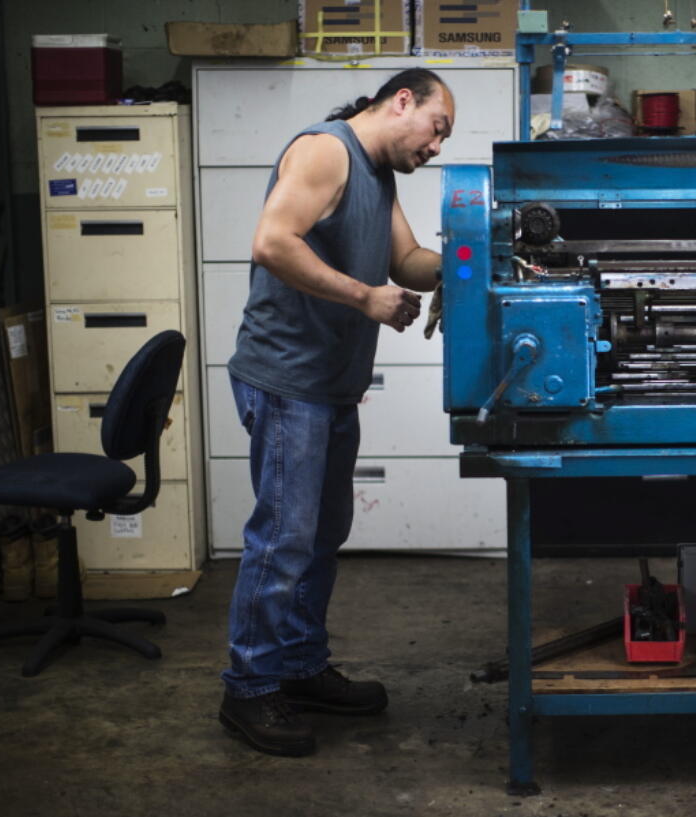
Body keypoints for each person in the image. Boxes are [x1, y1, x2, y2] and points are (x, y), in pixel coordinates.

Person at [218, 69, 454, 757]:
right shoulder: (326, 151)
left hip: (328, 385)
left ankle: (297, 666)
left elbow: (406, 259)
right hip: (287, 380)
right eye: (437, 128)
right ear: (402, 101)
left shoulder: (378, 177)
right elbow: (272, 241)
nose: (436, 146)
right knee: (283, 538)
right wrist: (363, 296)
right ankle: (250, 687)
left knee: (321, 534)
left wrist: (474, 262)